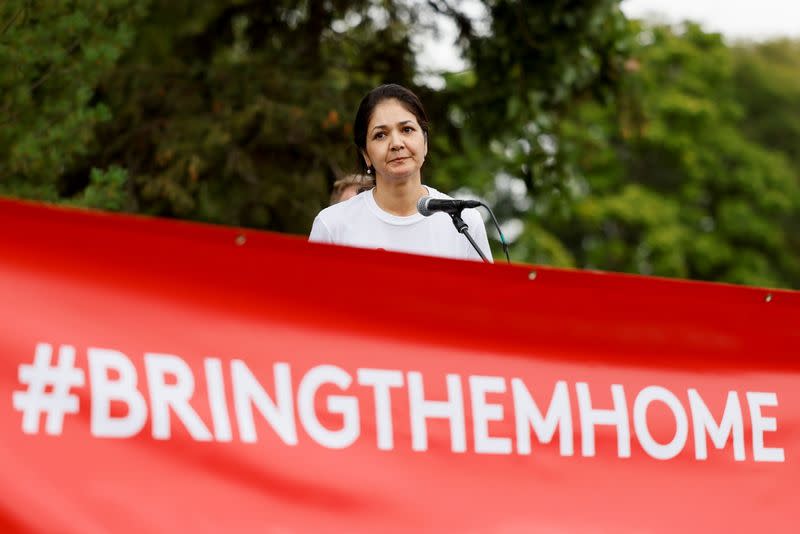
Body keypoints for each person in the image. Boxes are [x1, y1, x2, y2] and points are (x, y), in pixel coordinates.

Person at [309, 84, 492, 262]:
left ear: (425, 142)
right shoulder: (332, 225)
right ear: (366, 154)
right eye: (380, 135)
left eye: (407, 130)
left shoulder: (465, 223)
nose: (396, 143)